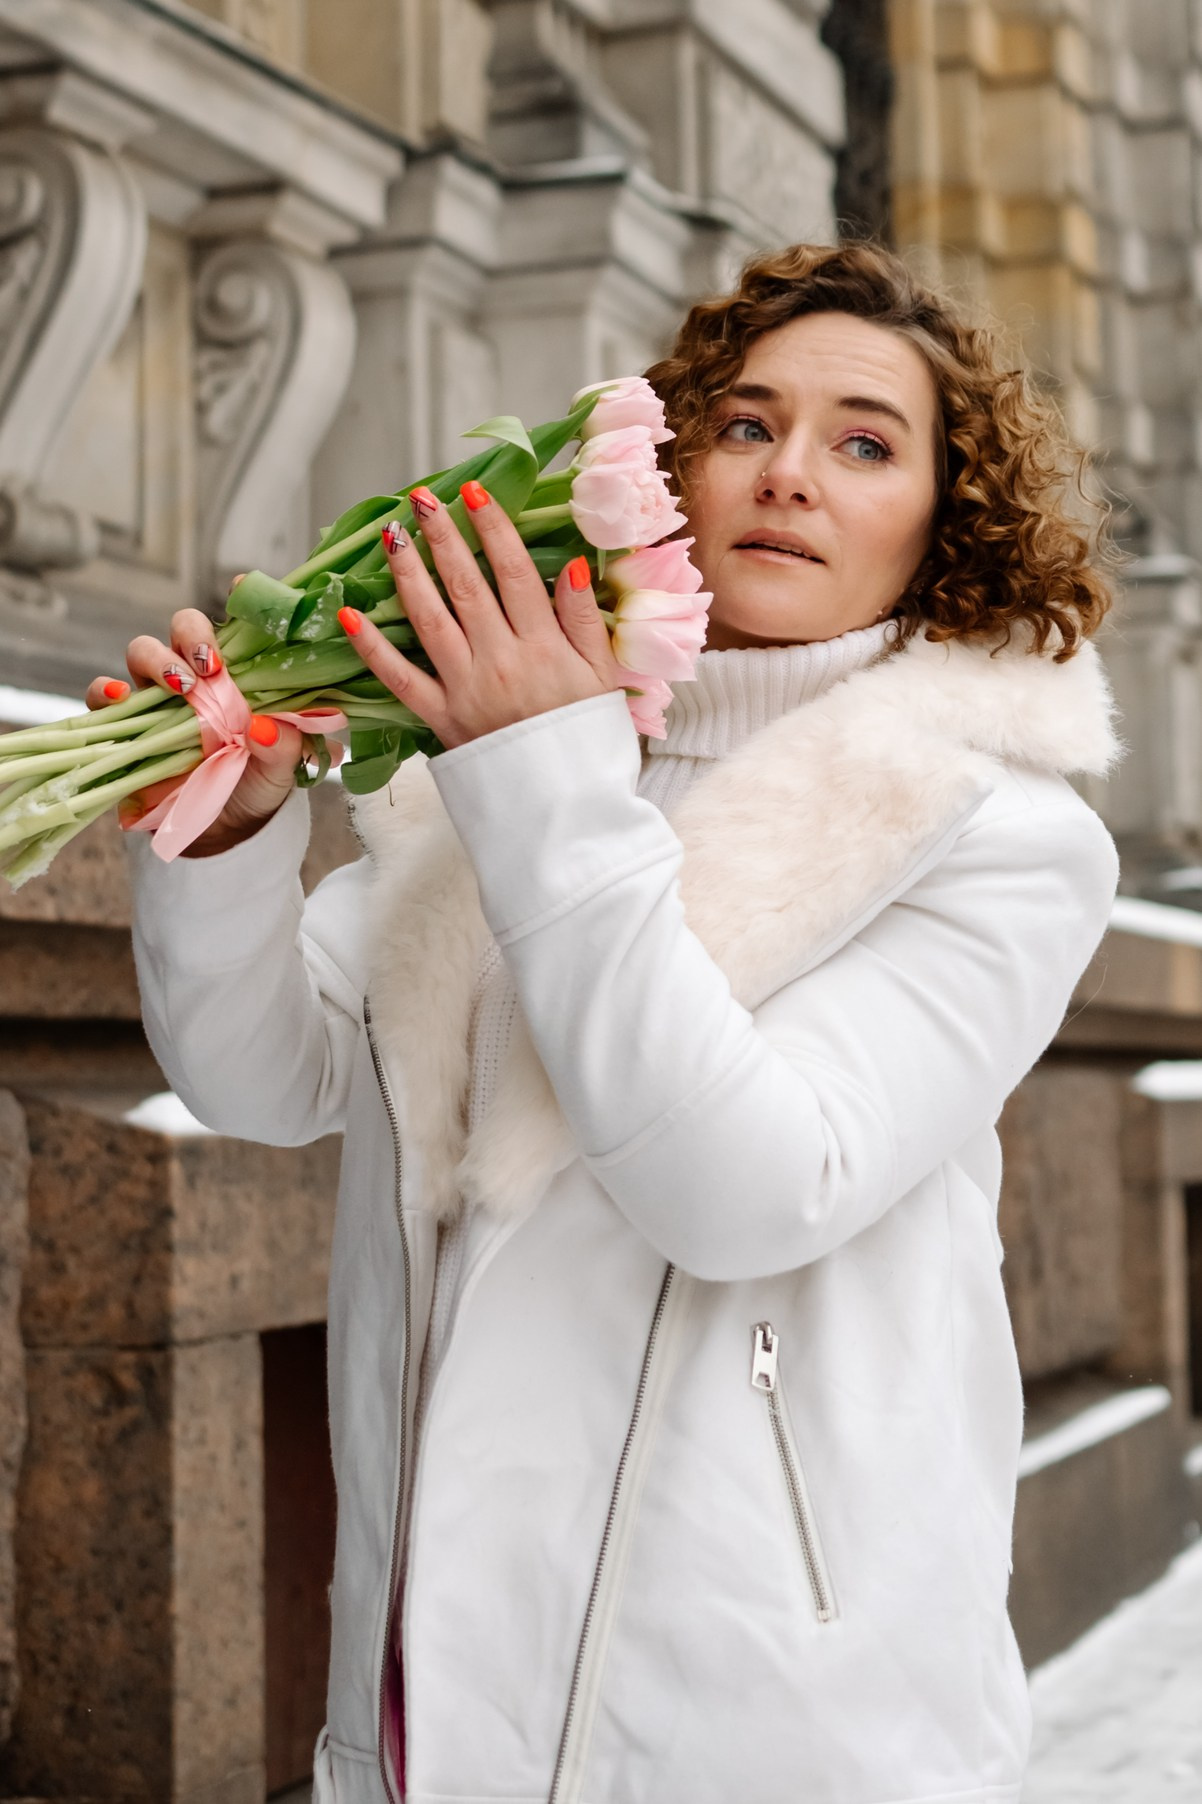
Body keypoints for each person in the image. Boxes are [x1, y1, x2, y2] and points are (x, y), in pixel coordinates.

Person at [103, 242, 1121, 1804]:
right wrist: (231, 836)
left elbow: (747, 1192)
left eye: (864, 442)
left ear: (943, 523)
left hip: (762, 1714)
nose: (789, 472)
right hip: (428, 1685)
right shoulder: (503, 767)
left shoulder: (991, 836)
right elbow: (269, 1080)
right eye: (742, 424)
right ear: (667, 472)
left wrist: (547, 791)